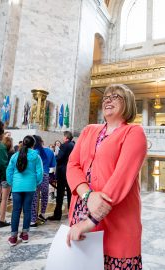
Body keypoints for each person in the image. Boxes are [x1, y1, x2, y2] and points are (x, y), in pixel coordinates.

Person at [66, 84, 147, 269]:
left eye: (115, 96)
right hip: (80, 217)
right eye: (106, 97)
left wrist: (90, 220)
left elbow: (121, 178)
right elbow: (72, 165)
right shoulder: (88, 130)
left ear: (127, 103)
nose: (108, 99)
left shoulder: (134, 132)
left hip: (117, 225)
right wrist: (87, 195)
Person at [6, 135, 43, 246]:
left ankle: (13, 237)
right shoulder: (36, 156)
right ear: (33, 145)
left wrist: (11, 183)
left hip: (17, 186)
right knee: (27, 210)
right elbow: (40, 172)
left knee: (16, 211)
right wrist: (36, 183)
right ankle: (25, 234)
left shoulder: (15, 156)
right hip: (30, 187)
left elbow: (9, 171)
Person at [47, 131, 74, 221]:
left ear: (66, 137)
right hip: (70, 171)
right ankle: (72, 213)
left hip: (62, 172)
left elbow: (59, 158)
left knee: (60, 194)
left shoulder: (64, 145)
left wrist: (54, 156)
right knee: (70, 193)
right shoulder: (73, 145)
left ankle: (57, 214)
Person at [30, 135, 56, 227]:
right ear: (41, 141)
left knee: (34, 197)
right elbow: (52, 165)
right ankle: (43, 214)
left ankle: (33, 220)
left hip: (35, 176)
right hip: (45, 175)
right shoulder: (49, 151)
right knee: (45, 196)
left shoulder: (32, 152)